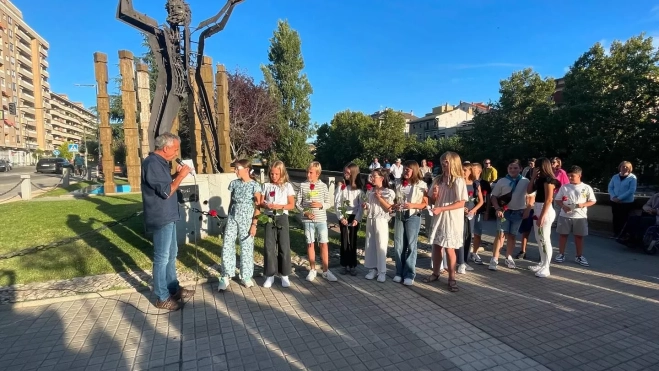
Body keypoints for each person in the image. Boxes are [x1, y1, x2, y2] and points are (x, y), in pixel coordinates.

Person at [140, 133, 194, 311]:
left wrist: (174, 175)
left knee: (172, 254)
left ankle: (173, 289)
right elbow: (165, 192)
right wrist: (181, 176)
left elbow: (163, 185)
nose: (177, 152)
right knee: (162, 258)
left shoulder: (161, 163)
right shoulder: (152, 163)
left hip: (169, 215)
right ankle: (162, 297)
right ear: (166, 148)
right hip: (160, 217)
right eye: (175, 149)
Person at [425, 151, 467, 292]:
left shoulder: (458, 180)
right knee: (437, 246)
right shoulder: (438, 179)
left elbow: (461, 203)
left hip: (452, 219)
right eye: (443, 161)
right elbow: (431, 199)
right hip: (439, 217)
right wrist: (435, 196)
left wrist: (442, 208)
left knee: (450, 249)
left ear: (454, 163)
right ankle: (436, 273)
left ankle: (452, 278)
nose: (444, 163)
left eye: (447, 161)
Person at [218, 159, 263, 291]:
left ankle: (246, 276)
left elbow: (258, 206)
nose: (235, 171)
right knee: (227, 244)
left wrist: (254, 224)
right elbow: (231, 202)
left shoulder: (255, 185)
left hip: (247, 219)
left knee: (246, 246)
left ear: (247, 170)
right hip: (233, 217)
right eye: (235, 168)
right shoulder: (234, 184)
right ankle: (226, 275)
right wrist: (228, 218)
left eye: (238, 168)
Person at [297, 161, 337, 282]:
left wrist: (320, 205)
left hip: (321, 219)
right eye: (307, 172)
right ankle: (312, 269)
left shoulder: (323, 186)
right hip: (308, 220)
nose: (308, 175)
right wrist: (305, 212)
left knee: (324, 243)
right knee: (310, 243)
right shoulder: (303, 185)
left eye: (311, 172)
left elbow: (329, 203)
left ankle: (325, 271)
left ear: (317, 174)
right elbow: (298, 203)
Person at [489, 159, 530, 271]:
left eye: (516, 168)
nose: (513, 170)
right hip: (504, 212)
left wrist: (527, 209)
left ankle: (508, 256)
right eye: (510, 168)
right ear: (507, 169)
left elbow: (530, 196)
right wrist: (497, 208)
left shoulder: (525, 181)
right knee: (500, 234)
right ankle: (495, 258)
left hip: (519, 212)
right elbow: (493, 196)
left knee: (512, 235)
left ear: (521, 169)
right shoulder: (502, 181)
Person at [392, 160, 428, 286]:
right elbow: (395, 199)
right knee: (398, 245)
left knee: (412, 246)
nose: (405, 171)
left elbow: (425, 204)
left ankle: (409, 273)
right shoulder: (398, 183)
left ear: (414, 170)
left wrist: (412, 205)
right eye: (404, 169)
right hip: (400, 215)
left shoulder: (421, 184)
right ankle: (399, 272)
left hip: (413, 215)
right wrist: (395, 204)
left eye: (408, 169)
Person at [260, 161, 295, 288]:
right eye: (272, 173)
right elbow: (260, 202)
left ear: (282, 173)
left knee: (284, 245)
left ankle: (284, 275)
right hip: (269, 216)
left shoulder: (287, 186)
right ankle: (270, 275)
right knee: (269, 246)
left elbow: (291, 205)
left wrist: (279, 206)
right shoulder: (266, 186)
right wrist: (266, 204)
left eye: (276, 174)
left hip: (282, 216)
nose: (274, 176)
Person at [554, 166, 597, 267]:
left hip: (580, 216)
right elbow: (558, 199)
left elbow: (592, 200)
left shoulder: (586, 188)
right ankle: (561, 254)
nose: (569, 178)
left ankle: (579, 256)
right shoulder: (565, 187)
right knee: (563, 235)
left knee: (579, 237)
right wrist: (563, 206)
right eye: (568, 176)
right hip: (565, 215)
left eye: (572, 176)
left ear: (579, 175)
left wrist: (583, 205)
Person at [527, 157, 561, 278]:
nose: (536, 168)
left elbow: (549, 199)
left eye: (537, 166)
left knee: (545, 238)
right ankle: (542, 262)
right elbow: (529, 191)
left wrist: (542, 216)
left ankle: (546, 267)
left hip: (544, 210)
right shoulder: (540, 179)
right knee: (538, 238)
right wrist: (532, 178)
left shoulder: (549, 180)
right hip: (537, 207)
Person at [363, 169, 394, 282]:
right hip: (371, 219)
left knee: (381, 244)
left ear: (381, 178)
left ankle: (382, 271)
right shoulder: (370, 191)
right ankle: (372, 269)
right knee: (370, 244)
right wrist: (366, 206)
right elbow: (370, 205)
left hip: (381, 220)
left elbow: (389, 208)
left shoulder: (388, 192)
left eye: (374, 176)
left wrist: (379, 197)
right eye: (371, 176)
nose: (372, 178)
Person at [335, 162, 365, 276]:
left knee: (352, 241)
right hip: (344, 215)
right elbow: (337, 203)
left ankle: (352, 264)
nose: (345, 174)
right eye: (344, 172)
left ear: (353, 174)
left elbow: (361, 206)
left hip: (354, 216)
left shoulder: (359, 190)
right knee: (344, 240)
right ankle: (344, 264)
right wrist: (341, 217)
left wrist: (357, 218)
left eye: (347, 173)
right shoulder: (341, 187)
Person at [459, 162, 483, 273]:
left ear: (470, 171)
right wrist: (462, 208)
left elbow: (481, 201)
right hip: (459, 212)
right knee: (459, 236)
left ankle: (465, 261)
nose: (463, 172)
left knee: (468, 236)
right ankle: (458, 261)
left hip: (470, 214)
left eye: (465, 170)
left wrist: (473, 210)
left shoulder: (475, 184)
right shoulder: (458, 183)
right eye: (461, 170)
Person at [607, 161, 637, 238]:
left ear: (629, 169)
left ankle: (622, 235)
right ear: (620, 167)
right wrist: (614, 197)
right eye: (623, 166)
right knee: (616, 218)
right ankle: (615, 233)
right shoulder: (615, 177)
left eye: (626, 167)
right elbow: (610, 187)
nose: (624, 168)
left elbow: (631, 190)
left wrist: (620, 198)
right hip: (614, 201)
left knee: (624, 219)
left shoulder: (632, 178)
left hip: (626, 202)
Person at [469, 163, 487, 264]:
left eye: (474, 169)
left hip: (479, 211)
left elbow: (486, 198)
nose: (471, 171)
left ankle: (475, 252)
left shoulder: (484, 183)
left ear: (479, 171)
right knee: (467, 233)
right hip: (468, 211)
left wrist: (487, 211)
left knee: (477, 233)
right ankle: (464, 252)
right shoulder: (468, 181)